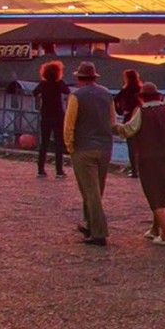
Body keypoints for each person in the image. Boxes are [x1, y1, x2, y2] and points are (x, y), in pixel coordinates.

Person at [117, 83, 165, 245]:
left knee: (153, 193)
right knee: (162, 191)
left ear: (142, 97)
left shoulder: (142, 112)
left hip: (148, 158)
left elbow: (128, 130)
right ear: (158, 96)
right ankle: (155, 229)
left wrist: (114, 127)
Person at [63, 61, 115, 245]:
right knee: (96, 190)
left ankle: (99, 232)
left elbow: (69, 124)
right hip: (105, 147)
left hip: (84, 148)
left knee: (89, 191)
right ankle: (89, 224)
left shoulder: (76, 96)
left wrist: (70, 146)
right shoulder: (107, 94)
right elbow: (112, 121)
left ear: (79, 78)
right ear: (94, 77)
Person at [33, 60, 69, 178]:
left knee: (44, 143)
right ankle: (59, 171)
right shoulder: (58, 84)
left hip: (46, 116)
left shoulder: (43, 84)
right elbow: (67, 91)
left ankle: (40, 169)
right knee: (59, 143)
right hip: (58, 116)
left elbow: (34, 92)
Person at [114, 68, 144, 178]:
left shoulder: (125, 90)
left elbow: (115, 100)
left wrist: (120, 111)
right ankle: (142, 169)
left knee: (131, 145)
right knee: (141, 146)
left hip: (129, 117)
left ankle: (134, 171)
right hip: (141, 117)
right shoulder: (141, 89)